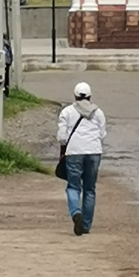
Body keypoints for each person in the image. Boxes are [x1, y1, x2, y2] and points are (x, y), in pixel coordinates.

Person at [56, 82, 106, 236]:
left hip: (74, 152)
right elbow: (102, 134)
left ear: (75, 96)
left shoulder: (67, 112)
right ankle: (85, 226)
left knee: (73, 186)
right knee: (89, 189)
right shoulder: (98, 113)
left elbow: (62, 137)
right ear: (90, 96)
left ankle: (76, 213)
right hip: (94, 152)